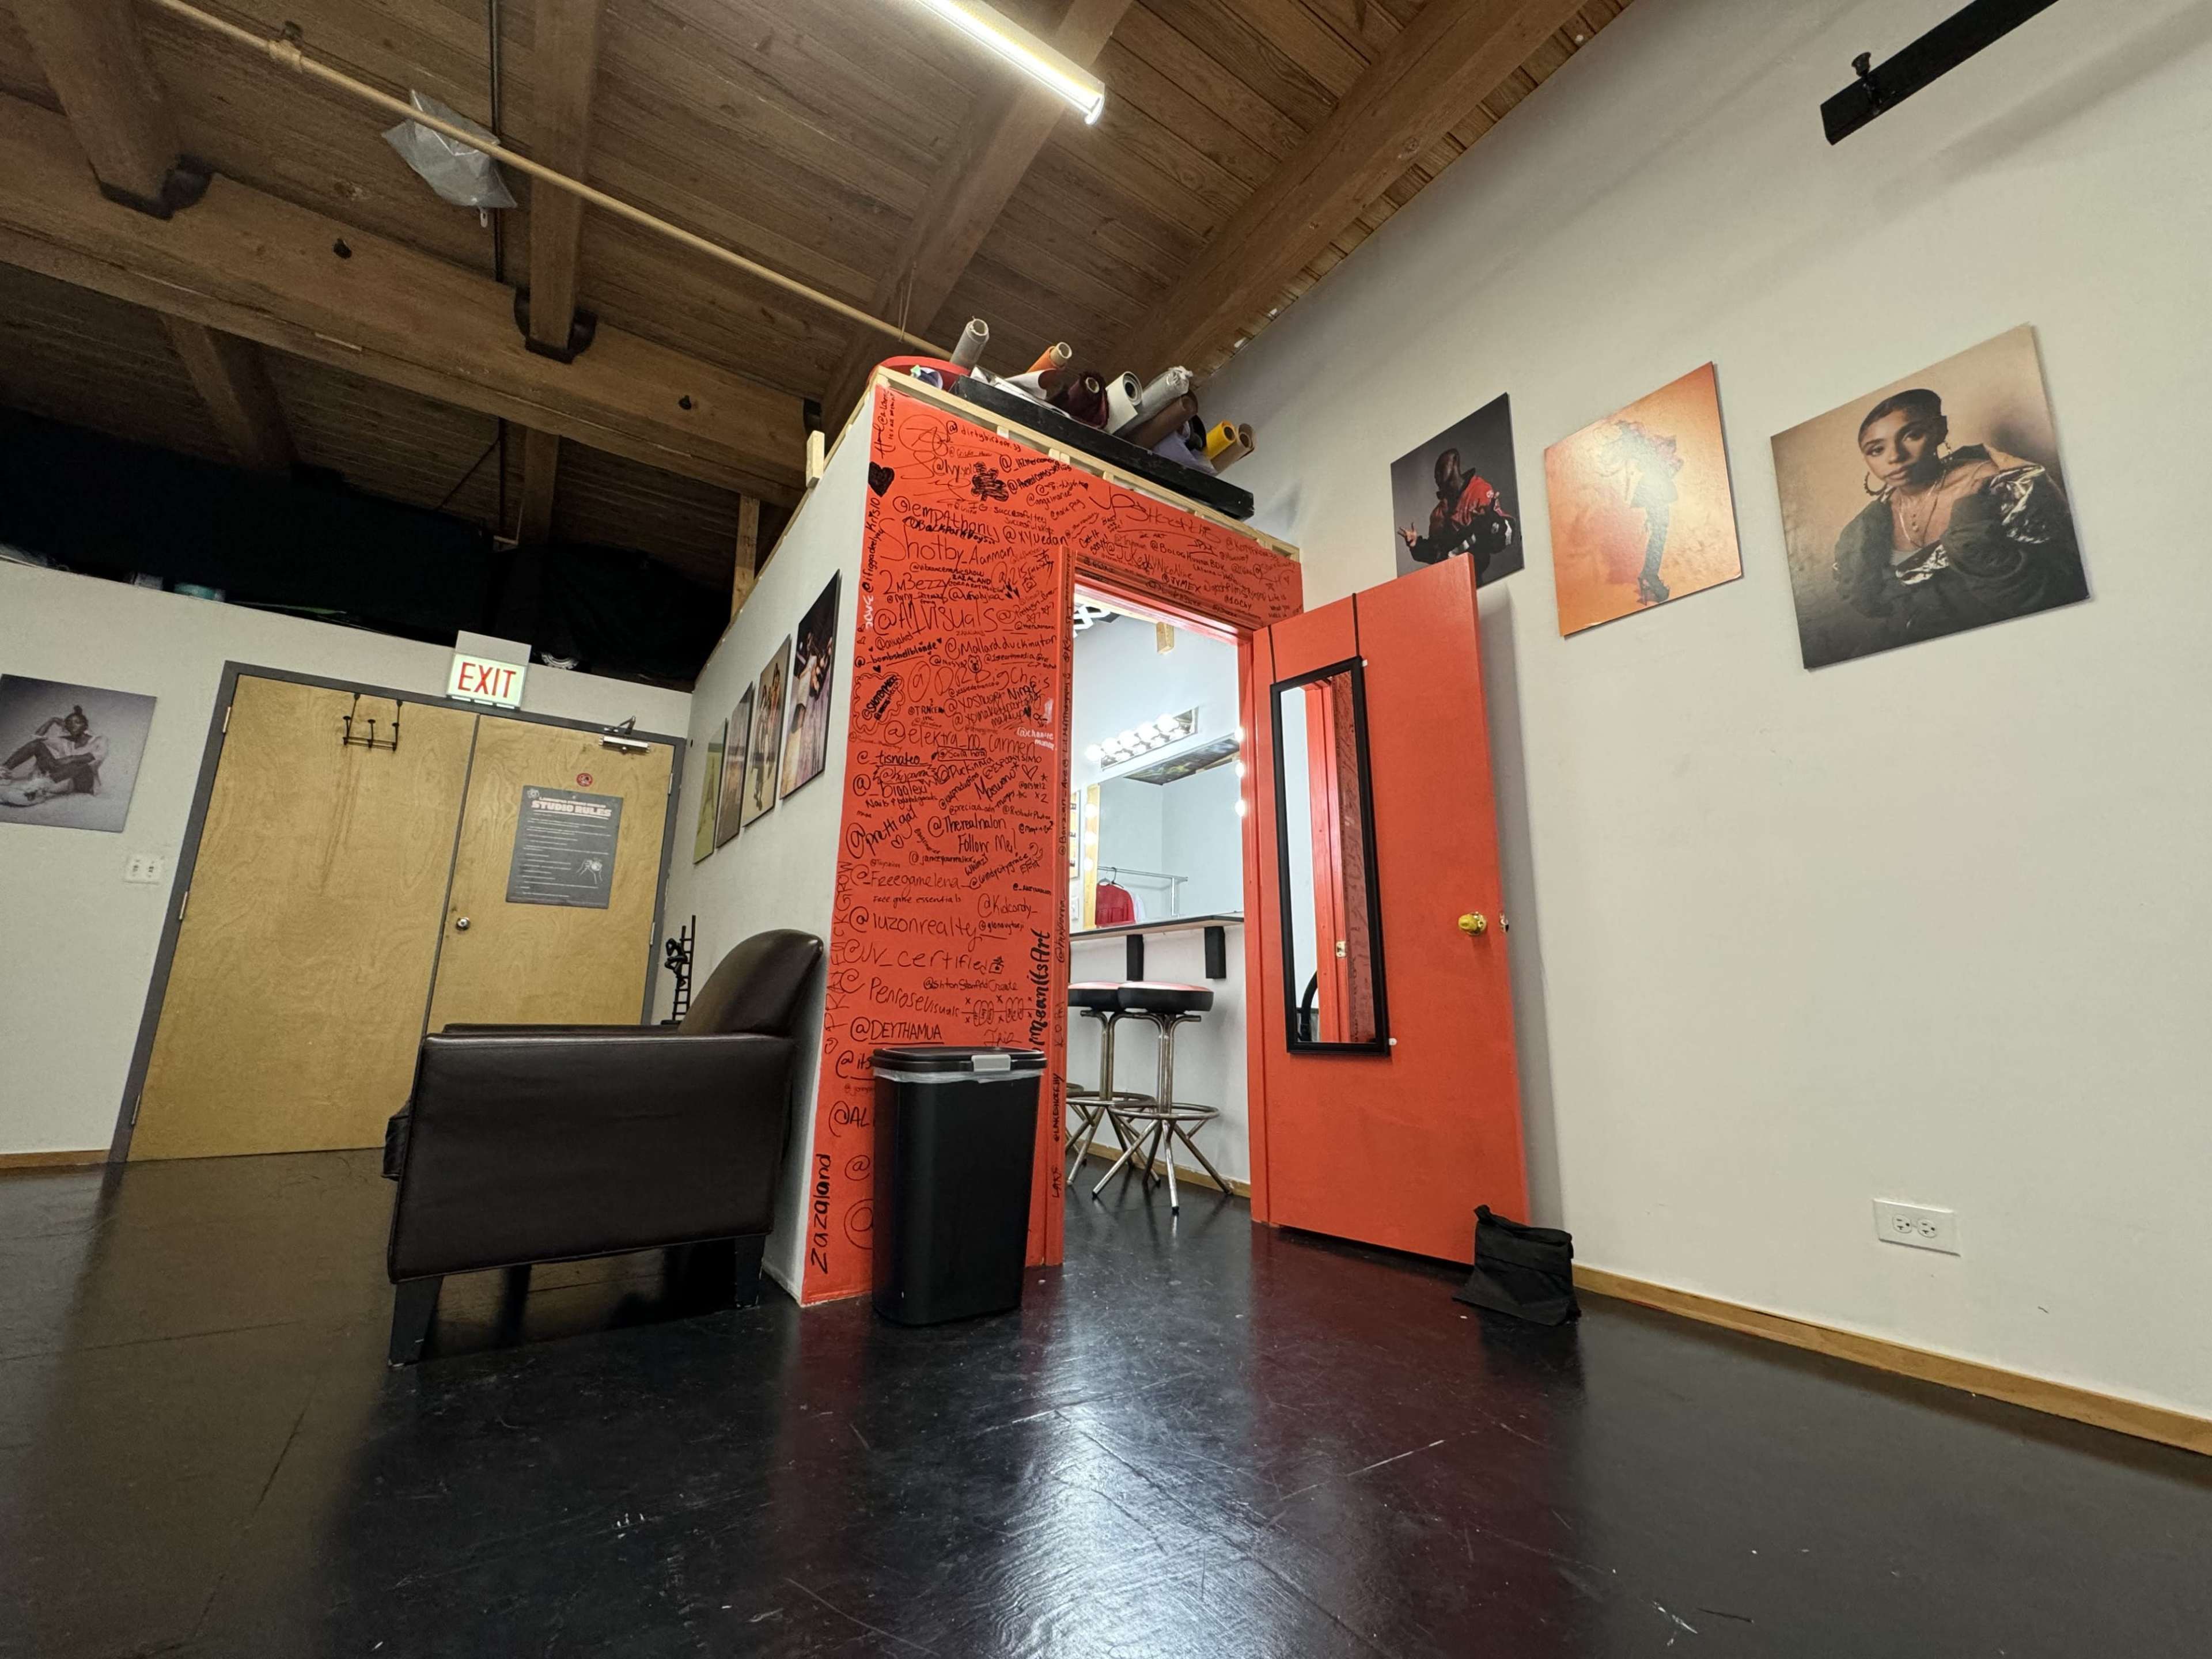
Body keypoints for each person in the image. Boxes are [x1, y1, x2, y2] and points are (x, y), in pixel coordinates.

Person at [1832, 388, 2085, 648]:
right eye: (1877, 450)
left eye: (1912, 435)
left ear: (1940, 431)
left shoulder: (1995, 484)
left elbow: (2062, 587)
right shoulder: (1872, 522)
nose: (1895, 457)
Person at [1601, 420, 1683, 605]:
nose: (1668, 449)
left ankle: (1649, 575)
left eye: (1670, 447)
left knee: (1659, 534)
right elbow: (1638, 447)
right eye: (1665, 445)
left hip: (1658, 497)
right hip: (1653, 498)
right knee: (1659, 534)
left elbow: (1667, 470)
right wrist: (1630, 431)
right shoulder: (1651, 455)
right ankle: (1649, 575)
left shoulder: (1672, 462)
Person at [1400, 448, 1516, 577]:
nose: (1436, 476)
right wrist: (1416, 545)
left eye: (1441, 469)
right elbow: (1437, 554)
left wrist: (1495, 523)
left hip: (1473, 579)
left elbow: (1507, 533)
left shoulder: (1479, 491)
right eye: (1435, 474)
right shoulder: (1437, 514)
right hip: (1449, 582)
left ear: (1455, 463)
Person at [1, 704, 107, 809]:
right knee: (36, 745)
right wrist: (52, 720)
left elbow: (91, 758)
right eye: (69, 723)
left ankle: (33, 791)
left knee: (80, 764)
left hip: (83, 782)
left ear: (86, 726)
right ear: (65, 726)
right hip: (60, 777)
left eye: (77, 723)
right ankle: (3, 773)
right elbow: (37, 737)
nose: (73, 725)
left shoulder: (100, 740)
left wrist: (60, 762)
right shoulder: (64, 741)